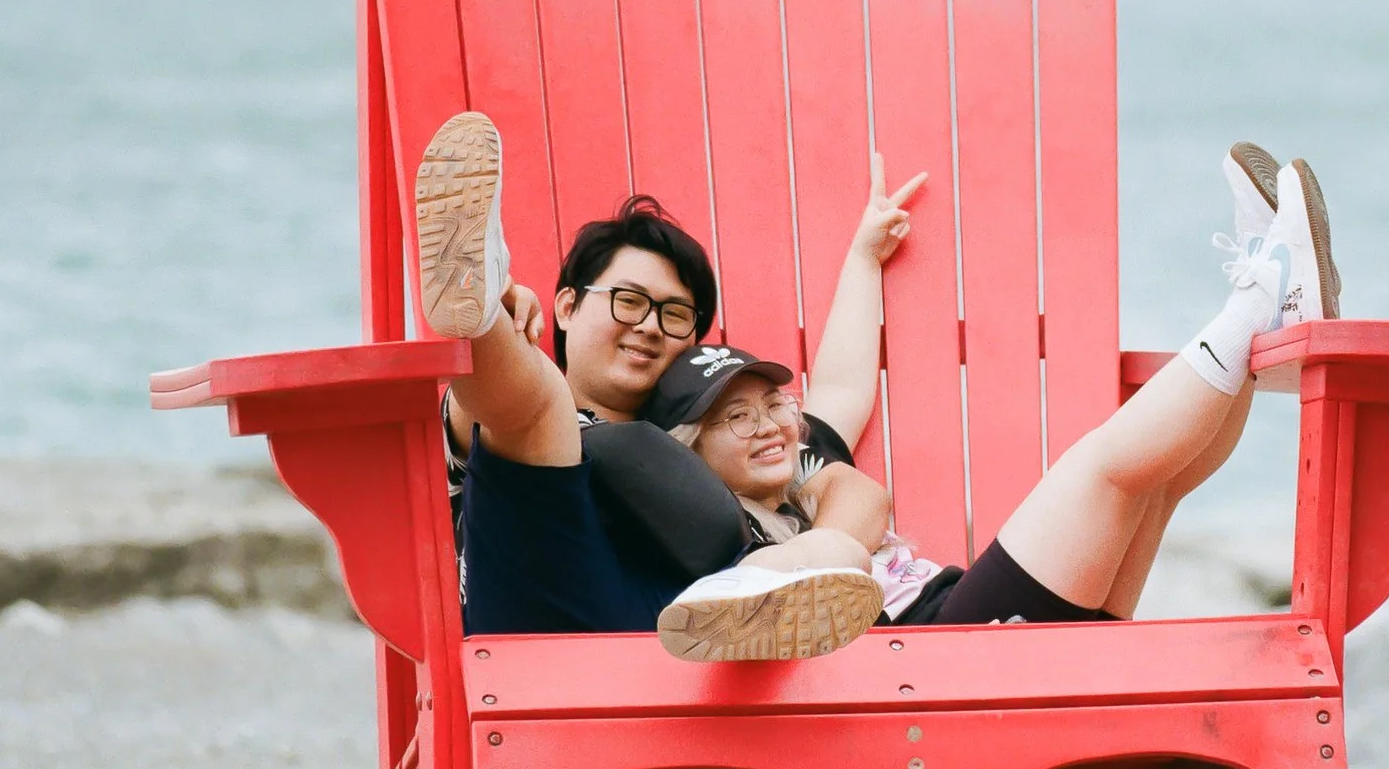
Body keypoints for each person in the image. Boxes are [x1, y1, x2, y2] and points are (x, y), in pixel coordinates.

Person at [638, 138, 1340, 641]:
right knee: (1102, 470)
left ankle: (1260, 322)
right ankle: (1261, 298)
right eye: (736, 417)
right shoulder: (720, 530)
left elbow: (847, 376)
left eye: (772, 406)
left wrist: (863, 255)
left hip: (972, 618)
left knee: (1160, 480)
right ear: (689, 453)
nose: (768, 426)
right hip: (950, 649)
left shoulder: (806, 459)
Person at [417, 111, 918, 649]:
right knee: (538, 404)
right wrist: (494, 328)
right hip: (533, 618)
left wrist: (866, 255)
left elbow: (838, 399)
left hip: (671, 643)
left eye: (675, 315)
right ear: (566, 305)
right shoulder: (530, 406)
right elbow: (491, 406)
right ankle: (480, 299)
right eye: (628, 301)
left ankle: (481, 303)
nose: (650, 327)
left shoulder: (717, 431)